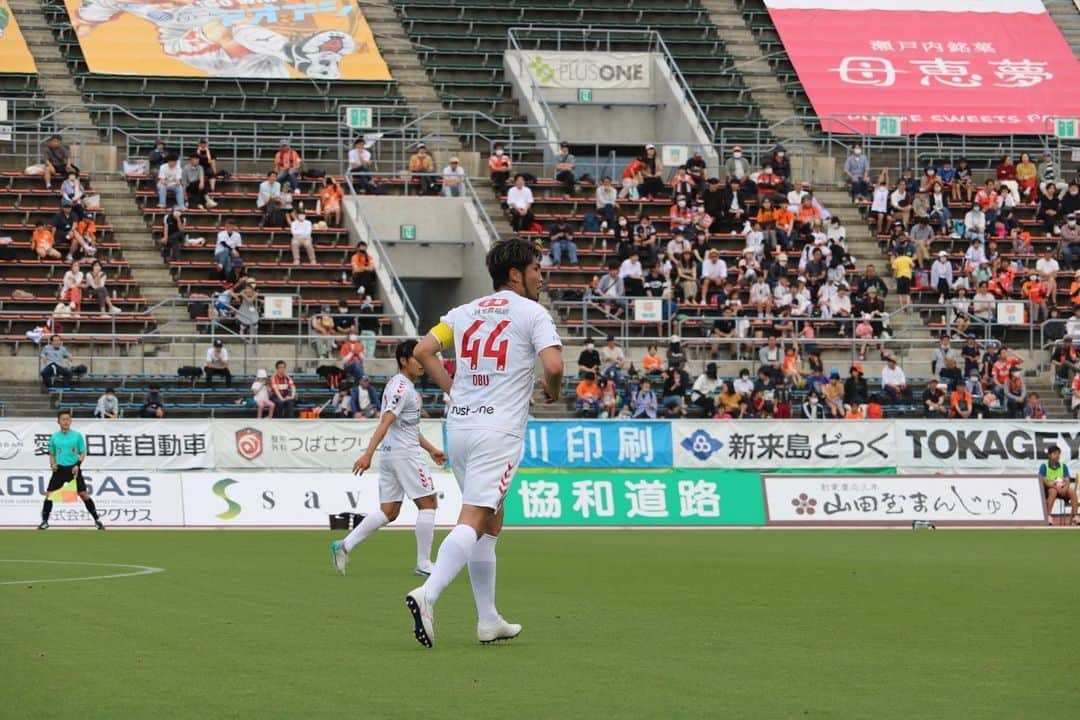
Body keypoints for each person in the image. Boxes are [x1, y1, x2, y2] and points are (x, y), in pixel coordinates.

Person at [407, 237, 563, 648]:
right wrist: (554, 389)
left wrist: (454, 389)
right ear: (516, 274)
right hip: (499, 431)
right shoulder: (532, 313)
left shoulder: (462, 312)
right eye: (536, 270)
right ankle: (429, 594)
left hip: (458, 429)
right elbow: (554, 365)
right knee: (475, 516)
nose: (540, 278)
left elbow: (423, 351)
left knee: (491, 519)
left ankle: (488, 619)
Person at [332, 339, 449, 577]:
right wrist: (367, 454)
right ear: (404, 360)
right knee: (428, 504)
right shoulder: (402, 388)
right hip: (404, 455)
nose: (422, 363)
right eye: (417, 358)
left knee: (389, 511)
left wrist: (430, 449)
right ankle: (424, 563)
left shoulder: (400, 386)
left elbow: (406, 427)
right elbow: (386, 420)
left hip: (392, 454)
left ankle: (344, 545)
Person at [37, 411, 104, 530]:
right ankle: (45, 522)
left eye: (68, 419)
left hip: (74, 470)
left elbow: (82, 453)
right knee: (49, 495)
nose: (66, 422)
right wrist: (52, 464)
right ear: (58, 421)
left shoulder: (77, 436)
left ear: (71, 421)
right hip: (59, 470)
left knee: (83, 494)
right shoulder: (54, 437)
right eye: (63, 419)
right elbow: (51, 454)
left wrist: (78, 464)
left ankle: (97, 520)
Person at [1040, 445, 1078, 525]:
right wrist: (1056, 487)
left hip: (1062, 489)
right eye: (1055, 453)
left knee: (1072, 492)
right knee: (1053, 491)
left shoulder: (1063, 466)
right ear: (1049, 455)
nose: (1057, 456)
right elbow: (1045, 482)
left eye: (1058, 454)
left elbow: (1067, 480)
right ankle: (1048, 516)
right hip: (1049, 489)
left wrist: (1065, 488)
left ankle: (1075, 516)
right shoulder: (1044, 466)